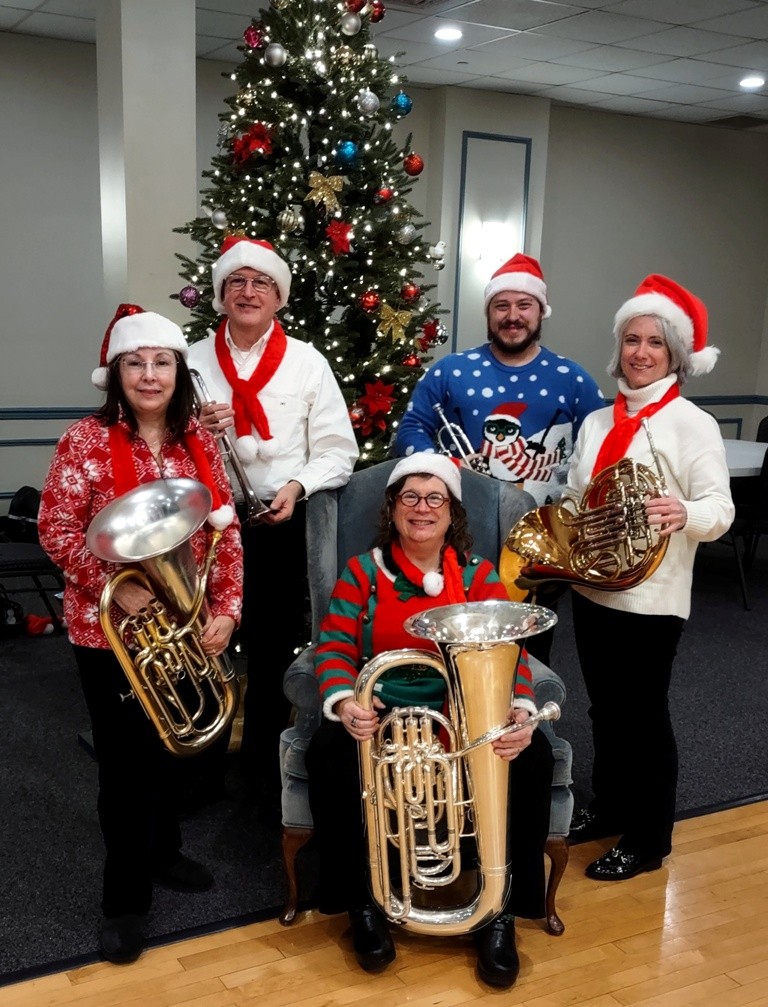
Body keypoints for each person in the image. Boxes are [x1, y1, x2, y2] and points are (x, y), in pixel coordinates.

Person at [38, 304, 243, 964]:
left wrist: (228, 610)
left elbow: (225, 531)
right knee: (125, 768)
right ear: (116, 372)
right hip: (110, 635)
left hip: (185, 625)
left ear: (178, 371)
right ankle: (123, 901)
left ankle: (163, 852)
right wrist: (113, 583)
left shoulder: (199, 442)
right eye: (136, 362)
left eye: (161, 362)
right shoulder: (84, 442)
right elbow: (57, 529)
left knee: (172, 753)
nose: (149, 374)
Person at [305, 453, 554, 990]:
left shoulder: (479, 574)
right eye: (410, 498)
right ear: (392, 509)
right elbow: (332, 647)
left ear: (452, 511)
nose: (422, 509)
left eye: (434, 498)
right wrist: (346, 702)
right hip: (381, 711)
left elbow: (511, 655)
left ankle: (501, 911)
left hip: (462, 711)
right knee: (326, 754)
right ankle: (364, 905)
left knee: (533, 759)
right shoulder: (364, 572)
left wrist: (520, 710)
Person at [565, 274, 734, 880]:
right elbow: (578, 497)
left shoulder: (691, 423)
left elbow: (721, 509)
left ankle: (648, 837)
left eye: (654, 343)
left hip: (651, 596)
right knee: (605, 710)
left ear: (674, 355)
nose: (640, 352)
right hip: (593, 589)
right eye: (631, 339)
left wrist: (683, 511)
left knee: (643, 714)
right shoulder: (595, 421)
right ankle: (610, 808)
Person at [187, 235, 358, 811]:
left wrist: (296, 486)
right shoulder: (189, 360)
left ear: (279, 296)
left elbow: (339, 451)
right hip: (205, 524)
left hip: (280, 519)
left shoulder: (308, 361)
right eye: (236, 281)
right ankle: (200, 770)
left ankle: (261, 764)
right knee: (202, 642)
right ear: (220, 294)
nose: (248, 291)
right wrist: (195, 428)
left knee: (270, 648)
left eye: (261, 282)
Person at [394, 253, 604, 507]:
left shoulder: (574, 379)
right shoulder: (448, 370)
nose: (513, 316)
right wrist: (445, 467)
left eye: (524, 305)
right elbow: (411, 430)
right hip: (459, 524)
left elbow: (600, 452)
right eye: (502, 306)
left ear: (541, 312)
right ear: (489, 313)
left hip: (546, 532)